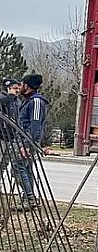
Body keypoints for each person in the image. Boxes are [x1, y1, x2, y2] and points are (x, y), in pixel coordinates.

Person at [13, 74, 48, 209]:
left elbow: (35, 126)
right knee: (25, 169)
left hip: (27, 142)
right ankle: (28, 198)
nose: (20, 87)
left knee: (18, 168)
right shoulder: (28, 101)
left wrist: (28, 145)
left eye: (21, 85)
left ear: (27, 86)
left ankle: (30, 198)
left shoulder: (36, 102)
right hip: (23, 141)